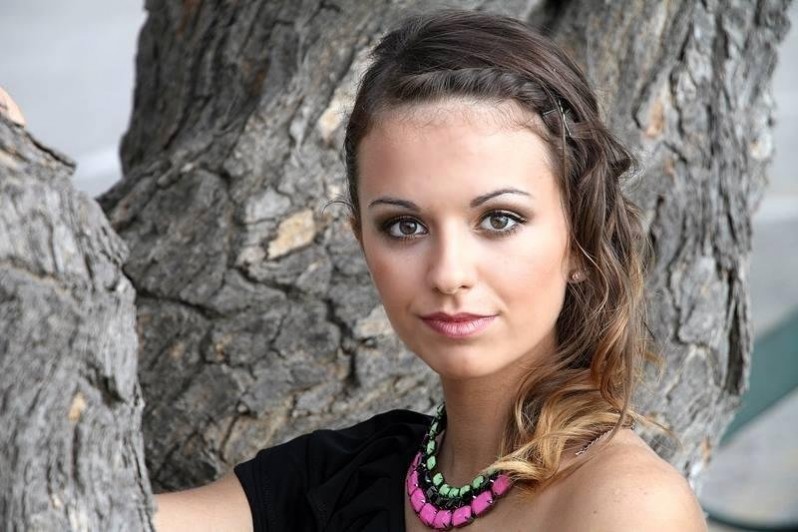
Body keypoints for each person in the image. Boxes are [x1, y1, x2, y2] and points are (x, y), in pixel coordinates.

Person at [3, 8, 708, 532]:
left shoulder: (625, 505)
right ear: (361, 240)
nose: (449, 272)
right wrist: (23, 180)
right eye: (404, 226)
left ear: (580, 240)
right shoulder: (337, 478)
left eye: (498, 219)